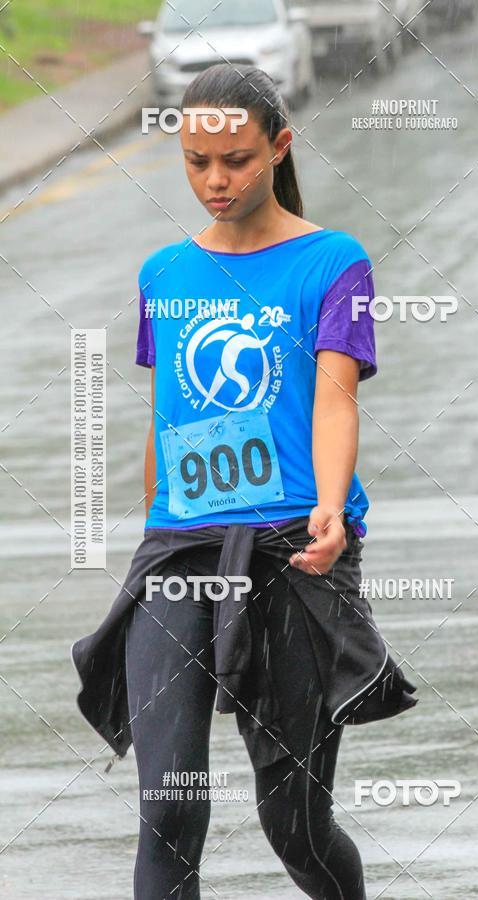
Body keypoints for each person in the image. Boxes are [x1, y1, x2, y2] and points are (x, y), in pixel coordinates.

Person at [71, 63, 417, 900]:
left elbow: (335, 404)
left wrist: (332, 511)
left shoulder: (334, 261)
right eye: (196, 162)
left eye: (235, 160)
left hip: (297, 548)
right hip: (182, 546)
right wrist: (153, 533)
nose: (215, 180)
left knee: (293, 824)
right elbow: (167, 415)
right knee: (169, 806)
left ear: (279, 147)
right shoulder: (165, 274)